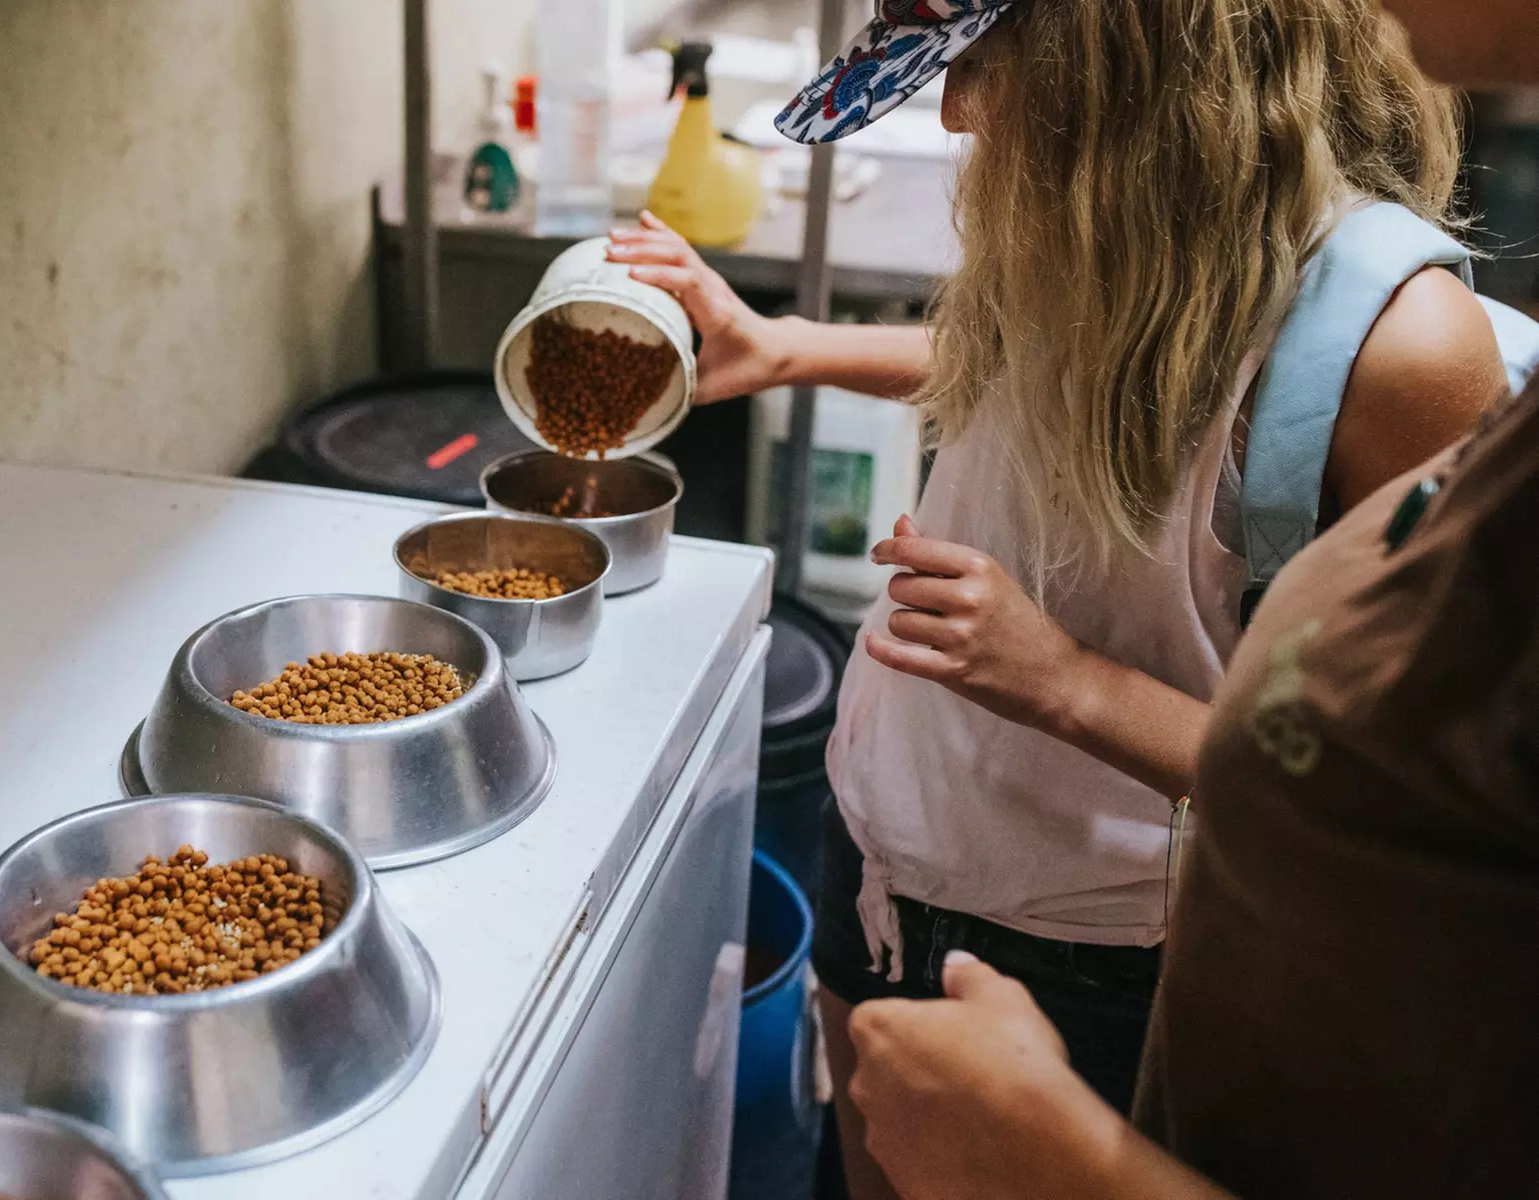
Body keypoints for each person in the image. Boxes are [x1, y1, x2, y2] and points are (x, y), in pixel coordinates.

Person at [609, 0, 1512, 1191]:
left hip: (1096, 945)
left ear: (1139, 65)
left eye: (979, 65)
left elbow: (1372, 818)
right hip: (879, 853)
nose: (953, 111)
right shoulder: (1105, 215)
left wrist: (1068, 683)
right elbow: (1036, 366)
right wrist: (791, 346)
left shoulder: (1403, 350)